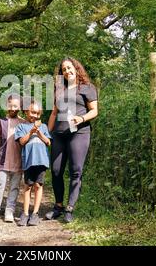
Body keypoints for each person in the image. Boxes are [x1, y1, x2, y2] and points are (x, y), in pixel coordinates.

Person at [46, 57, 98, 223]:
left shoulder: (87, 88)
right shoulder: (59, 89)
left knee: (76, 170)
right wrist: (47, 133)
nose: (67, 71)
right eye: (64, 69)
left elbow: (94, 111)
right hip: (58, 135)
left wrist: (81, 119)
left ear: (76, 69)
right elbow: (54, 113)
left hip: (79, 133)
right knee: (55, 171)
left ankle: (69, 209)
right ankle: (58, 206)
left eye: (69, 68)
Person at [0, 94, 25, 222]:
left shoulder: (23, 123)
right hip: (3, 160)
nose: (12, 108)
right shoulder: (1, 122)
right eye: (10, 105)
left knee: (14, 187)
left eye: (15, 105)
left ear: (20, 107)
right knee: (0, 186)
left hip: (18, 161)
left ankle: (10, 210)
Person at [15, 99, 52, 226]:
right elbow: (21, 142)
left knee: (38, 186)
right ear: (26, 111)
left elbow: (48, 142)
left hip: (41, 161)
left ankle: (35, 213)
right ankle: (25, 214)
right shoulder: (21, 126)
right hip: (28, 161)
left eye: (37, 113)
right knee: (28, 186)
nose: (34, 115)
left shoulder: (44, 126)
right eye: (32, 112)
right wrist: (31, 132)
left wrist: (39, 132)